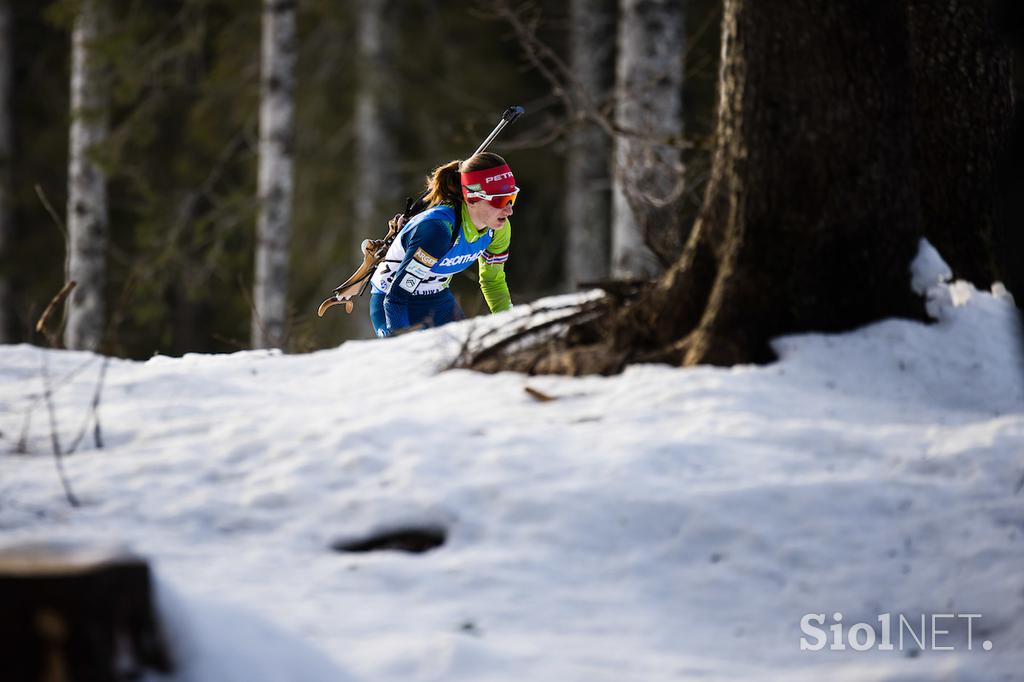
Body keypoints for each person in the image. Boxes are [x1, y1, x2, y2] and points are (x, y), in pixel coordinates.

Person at [368, 152, 516, 337]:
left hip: (438, 299)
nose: (509, 210)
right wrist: (403, 344)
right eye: (500, 200)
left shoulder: (498, 229)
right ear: (472, 198)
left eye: (511, 198)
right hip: (394, 302)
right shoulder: (438, 230)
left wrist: (511, 328)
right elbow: (396, 299)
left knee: (468, 357)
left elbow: (493, 282)